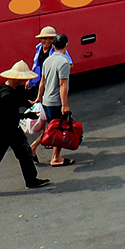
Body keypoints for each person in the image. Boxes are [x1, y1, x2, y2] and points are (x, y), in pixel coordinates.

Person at [0, 61, 53, 197]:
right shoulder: (7, 96)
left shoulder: (8, 89)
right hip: (5, 130)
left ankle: (31, 179)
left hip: (9, 128)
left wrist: (26, 103)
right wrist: (27, 114)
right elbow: (10, 115)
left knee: (24, 153)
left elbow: (17, 101)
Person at [38, 34, 75, 167]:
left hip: (46, 100)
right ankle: (56, 158)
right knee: (58, 130)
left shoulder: (47, 60)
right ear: (67, 44)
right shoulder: (64, 62)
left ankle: (33, 148)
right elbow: (62, 84)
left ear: (53, 46)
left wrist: (39, 97)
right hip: (56, 102)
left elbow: (42, 81)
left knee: (51, 128)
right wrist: (64, 105)